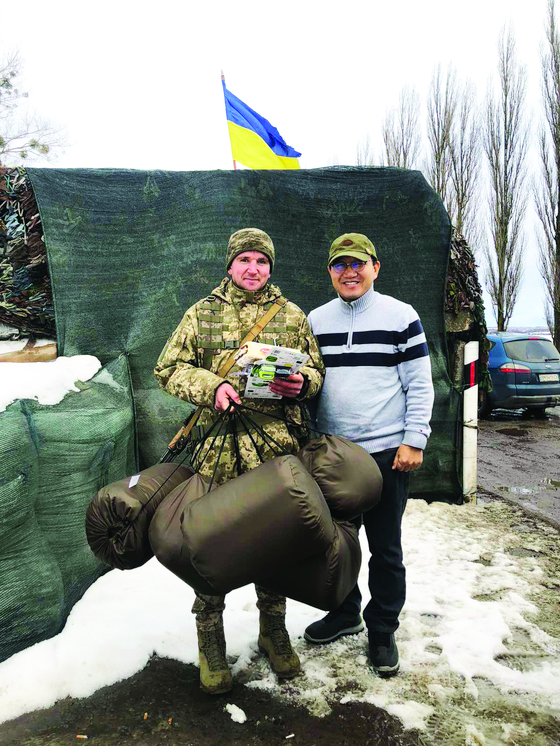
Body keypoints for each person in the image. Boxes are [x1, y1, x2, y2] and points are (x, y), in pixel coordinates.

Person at [154, 228, 324, 695]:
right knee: (210, 545)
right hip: (217, 448)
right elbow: (167, 367)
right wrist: (213, 388)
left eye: (262, 261)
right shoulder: (201, 313)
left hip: (276, 450)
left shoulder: (291, 316)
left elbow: (315, 370)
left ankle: (274, 632)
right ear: (230, 264)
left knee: (275, 543)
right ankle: (211, 647)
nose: (253, 268)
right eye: (245, 259)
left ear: (271, 267)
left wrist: (302, 385)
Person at [303, 233, 434, 678]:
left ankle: (381, 629)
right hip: (332, 454)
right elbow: (307, 383)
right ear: (330, 273)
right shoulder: (314, 321)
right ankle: (344, 613)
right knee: (334, 545)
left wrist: (413, 439)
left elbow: (419, 383)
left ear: (375, 267)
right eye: (340, 265)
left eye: (358, 263)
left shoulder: (401, 316)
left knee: (385, 548)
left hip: (384, 455)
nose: (350, 272)